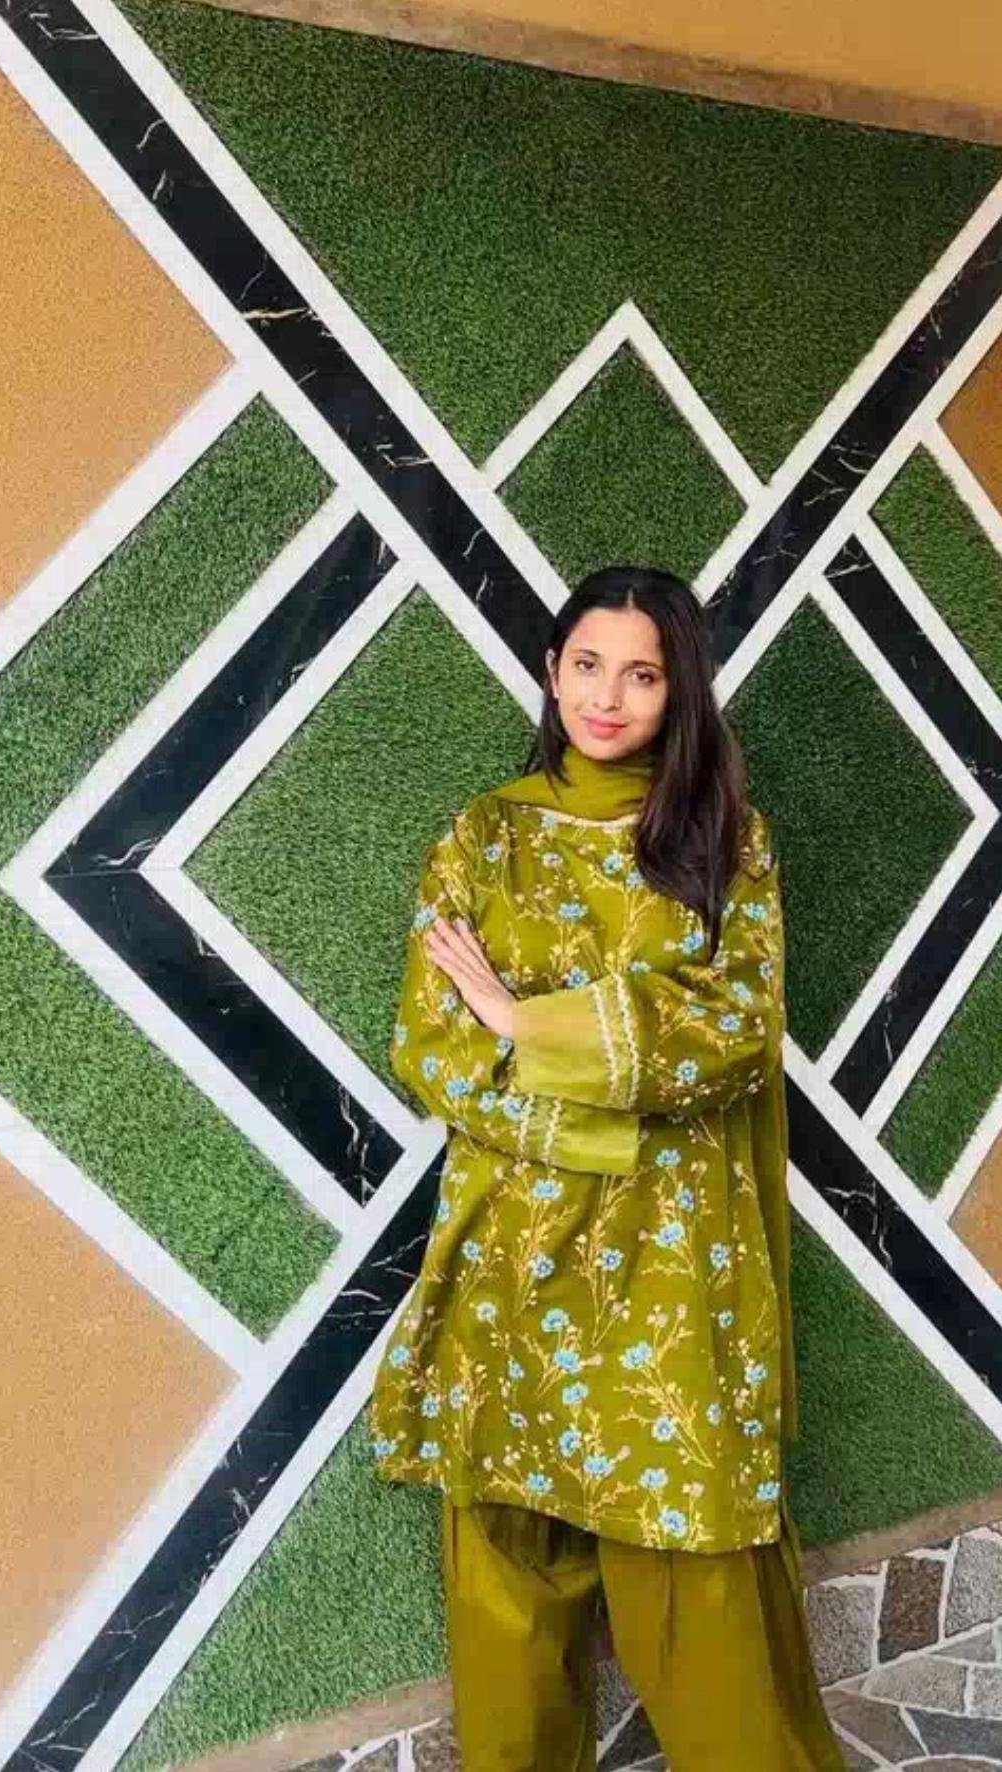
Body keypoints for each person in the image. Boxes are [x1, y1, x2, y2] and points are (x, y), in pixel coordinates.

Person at [366, 565, 845, 1771]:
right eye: (587, 664)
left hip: (674, 1257)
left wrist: (528, 1021)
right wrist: (600, 1098)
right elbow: (433, 1044)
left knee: (694, 1557)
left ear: (681, 692)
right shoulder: (484, 836)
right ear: (550, 668)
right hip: (515, 1244)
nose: (608, 696)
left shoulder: (726, 841)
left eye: (643, 674)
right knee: (509, 1560)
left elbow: (735, 1032)